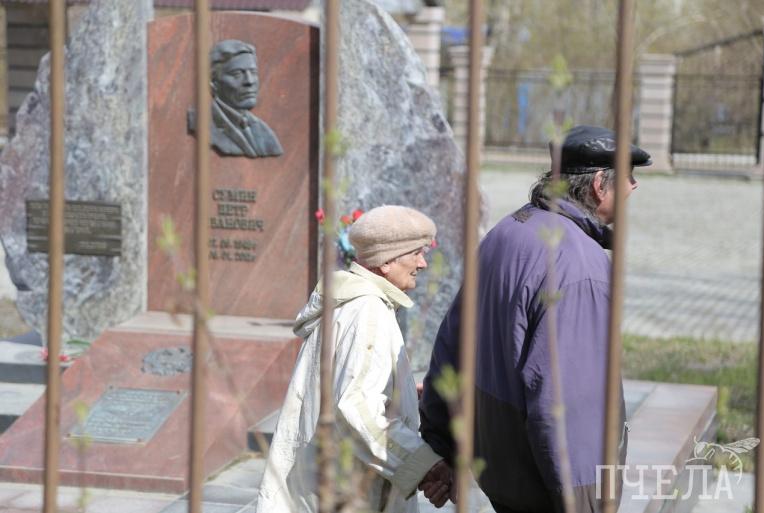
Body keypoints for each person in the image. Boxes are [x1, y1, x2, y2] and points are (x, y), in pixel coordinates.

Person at [419, 125, 652, 513]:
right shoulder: (579, 266)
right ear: (599, 184)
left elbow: (451, 345)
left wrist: (440, 445)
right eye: (628, 176)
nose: (634, 185)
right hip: (544, 490)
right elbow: (564, 406)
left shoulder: (507, 231)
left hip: (500, 474)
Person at [256, 205, 453, 513]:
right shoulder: (367, 311)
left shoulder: (355, 302)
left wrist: (402, 395)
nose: (423, 263)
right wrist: (425, 464)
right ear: (386, 262)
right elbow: (356, 407)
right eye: (416, 253)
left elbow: (346, 386)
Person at [207, 39, 283, 158]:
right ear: (214, 84)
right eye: (237, 74)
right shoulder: (201, 123)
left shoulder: (264, 132)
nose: (249, 81)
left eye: (253, 73)